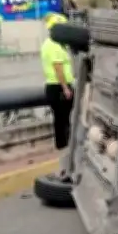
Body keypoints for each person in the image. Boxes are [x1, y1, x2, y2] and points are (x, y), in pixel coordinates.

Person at [41, 13, 74, 150]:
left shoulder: (55, 44)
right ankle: (64, 145)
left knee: (62, 118)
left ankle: (64, 144)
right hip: (58, 87)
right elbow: (58, 68)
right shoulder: (54, 45)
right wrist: (65, 88)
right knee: (62, 119)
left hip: (56, 86)